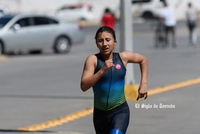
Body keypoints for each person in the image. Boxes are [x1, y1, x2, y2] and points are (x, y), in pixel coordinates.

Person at [80, 26, 148, 134]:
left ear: (114, 42)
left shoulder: (123, 57)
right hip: (100, 114)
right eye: (100, 41)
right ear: (97, 44)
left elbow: (143, 60)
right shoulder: (93, 60)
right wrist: (102, 70)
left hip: (120, 111)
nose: (105, 44)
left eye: (108, 40)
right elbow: (84, 86)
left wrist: (143, 84)